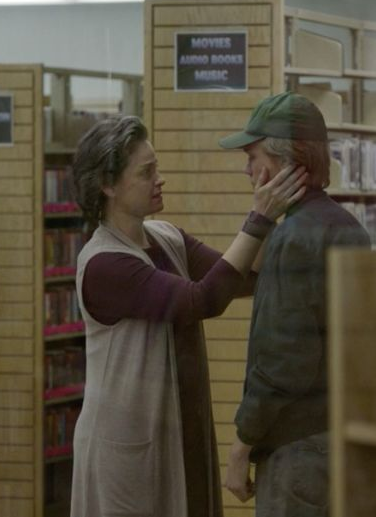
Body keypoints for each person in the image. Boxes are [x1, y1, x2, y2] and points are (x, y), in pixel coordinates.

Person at [70, 116, 307, 517]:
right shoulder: (104, 263)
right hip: (128, 444)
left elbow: (246, 278)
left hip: (180, 429)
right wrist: (259, 218)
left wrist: (270, 205)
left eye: (157, 167)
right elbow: (203, 300)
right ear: (108, 185)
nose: (159, 179)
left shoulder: (167, 237)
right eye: (146, 172)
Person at [219, 92, 371, 516]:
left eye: (253, 157)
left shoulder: (294, 238)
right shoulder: (349, 228)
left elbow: (284, 359)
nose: (247, 170)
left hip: (295, 450)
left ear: (284, 161)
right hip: (337, 435)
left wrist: (241, 444)